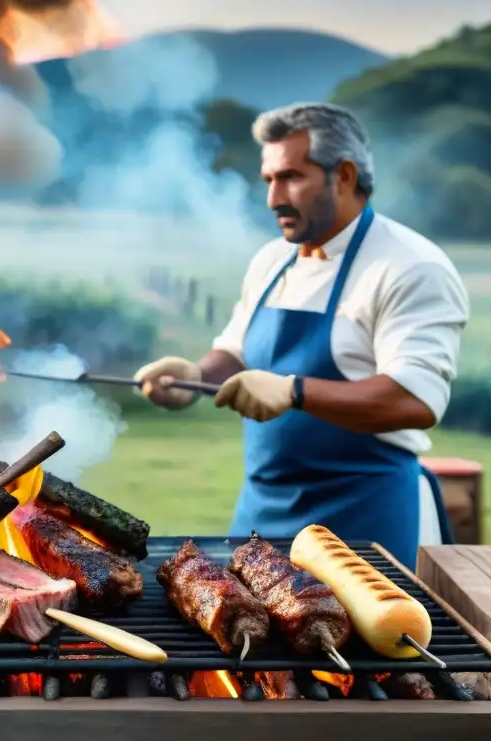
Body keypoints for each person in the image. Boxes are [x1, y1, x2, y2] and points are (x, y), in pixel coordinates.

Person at [133, 102, 470, 570]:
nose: (273, 198)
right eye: (269, 179)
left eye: (291, 177)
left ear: (345, 175)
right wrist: (194, 375)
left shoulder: (410, 267)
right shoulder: (273, 259)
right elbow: (236, 350)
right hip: (259, 516)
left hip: (361, 524)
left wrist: (293, 390)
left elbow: (415, 401)